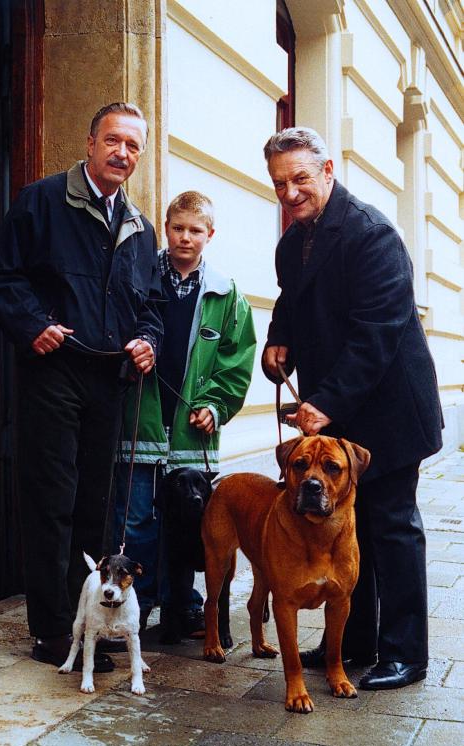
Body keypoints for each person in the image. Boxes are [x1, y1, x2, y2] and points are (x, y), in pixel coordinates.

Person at [0, 102, 163, 670]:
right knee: (51, 501)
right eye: (113, 141)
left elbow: (150, 306)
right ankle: (52, 629)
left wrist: (147, 341)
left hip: (109, 380)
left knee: (95, 505)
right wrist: (32, 325)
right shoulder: (41, 200)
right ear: (89, 143)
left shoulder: (140, 226)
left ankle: (86, 620)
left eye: (133, 146)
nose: (122, 154)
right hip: (53, 374)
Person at [262, 127, 443, 690]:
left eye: (300, 178)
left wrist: (324, 404)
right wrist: (277, 340)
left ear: (328, 171)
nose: (290, 193)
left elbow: (378, 334)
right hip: (336, 406)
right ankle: (355, 642)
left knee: (391, 528)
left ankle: (406, 652)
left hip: (390, 408)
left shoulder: (372, 234)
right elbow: (293, 302)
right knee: (349, 532)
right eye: (279, 183)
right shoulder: (293, 242)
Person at [114, 190, 256, 635]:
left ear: (209, 235)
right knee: (136, 521)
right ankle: (136, 606)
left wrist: (215, 406)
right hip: (142, 423)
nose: (185, 237)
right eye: (177, 228)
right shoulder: (141, 276)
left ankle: (185, 606)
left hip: (192, 435)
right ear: (166, 227)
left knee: (191, 526)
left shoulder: (226, 294)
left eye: (196, 230)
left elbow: (236, 362)